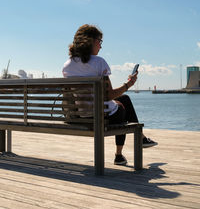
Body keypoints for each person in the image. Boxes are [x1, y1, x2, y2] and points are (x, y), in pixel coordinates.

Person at [62, 24, 157, 166]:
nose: (100, 46)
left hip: (82, 116)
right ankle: (121, 153)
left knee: (124, 99)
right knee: (122, 108)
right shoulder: (99, 62)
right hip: (101, 117)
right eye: (99, 41)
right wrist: (128, 84)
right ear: (91, 41)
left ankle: (140, 139)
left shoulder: (67, 65)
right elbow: (109, 95)